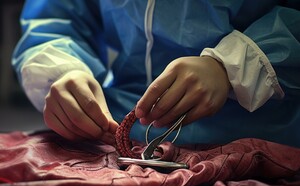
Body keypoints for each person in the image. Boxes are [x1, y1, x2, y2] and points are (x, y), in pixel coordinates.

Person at [12, 0, 300, 147]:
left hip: (261, 137)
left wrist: (232, 67)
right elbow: (57, 18)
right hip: (112, 135)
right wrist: (63, 71)